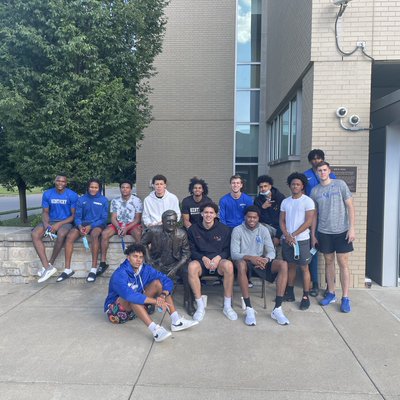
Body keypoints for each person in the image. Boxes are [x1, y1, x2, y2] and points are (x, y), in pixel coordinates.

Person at [104, 244, 198, 343]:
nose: (138, 260)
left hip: (135, 310)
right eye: (135, 256)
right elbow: (129, 295)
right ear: (128, 258)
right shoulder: (120, 274)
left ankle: (176, 321)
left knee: (158, 283)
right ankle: (155, 331)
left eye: (141, 257)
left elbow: (167, 280)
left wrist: (162, 295)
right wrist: (155, 301)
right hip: (116, 314)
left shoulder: (145, 269)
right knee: (133, 297)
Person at [231, 206, 290, 326]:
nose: (252, 220)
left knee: (283, 264)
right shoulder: (237, 230)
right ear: (245, 217)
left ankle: (277, 309)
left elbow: (271, 251)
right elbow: (234, 254)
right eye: (249, 217)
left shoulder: (263, 230)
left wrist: (266, 259)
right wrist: (251, 258)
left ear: (258, 218)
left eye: (255, 217)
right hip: (245, 262)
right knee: (241, 264)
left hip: (261, 261)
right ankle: (249, 308)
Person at [311, 161, 355, 313]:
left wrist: (352, 228)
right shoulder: (315, 191)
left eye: (324, 170)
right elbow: (314, 215)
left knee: (343, 263)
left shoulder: (340, 184)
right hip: (324, 232)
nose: (322, 172)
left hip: (342, 231)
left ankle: (345, 297)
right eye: (320, 170)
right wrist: (313, 235)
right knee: (329, 262)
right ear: (317, 173)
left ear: (329, 171)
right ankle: (331, 293)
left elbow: (350, 206)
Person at [187, 202, 237, 322]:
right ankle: (200, 306)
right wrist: (203, 258)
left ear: (216, 215)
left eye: (211, 213)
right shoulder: (193, 229)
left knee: (229, 265)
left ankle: (227, 306)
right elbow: (191, 250)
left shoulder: (224, 229)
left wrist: (219, 257)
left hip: (218, 263)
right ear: (201, 214)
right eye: (206, 212)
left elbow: (227, 250)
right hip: (201, 262)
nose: (208, 215)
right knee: (192, 266)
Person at [141, 210, 194, 315]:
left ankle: (188, 302)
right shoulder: (153, 231)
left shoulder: (182, 234)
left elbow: (186, 253)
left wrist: (175, 268)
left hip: (175, 263)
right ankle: (150, 302)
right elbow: (143, 244)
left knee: (187, 272)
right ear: (162, 221)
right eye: (168, 221)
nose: (171, 224)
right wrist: (149, 259)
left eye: (174, 221)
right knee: (149, 271)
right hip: (158, 263)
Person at [57, 178, 108, 283]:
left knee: (94, 235)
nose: (93, 189)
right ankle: (67, 269)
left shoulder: (104, 200)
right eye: (91, 187)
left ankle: (93, 269)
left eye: (96, 187)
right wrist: (80, 226)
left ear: (99, 188)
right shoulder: (81, 199)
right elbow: (77, 217)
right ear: (88, 187)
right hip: (83, 224)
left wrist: (91, 226)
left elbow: (104, 219)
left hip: (97, 224)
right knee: (70, 236)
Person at [32, 174, 79, 283]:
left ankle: (50, 263)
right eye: (58, 181)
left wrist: (58, 224)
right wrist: (45, 223)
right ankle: (46, 267)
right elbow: (45, 212)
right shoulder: (47, 194)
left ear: (66, 183)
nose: (60, 183)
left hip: (66, 221)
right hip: (51, 220)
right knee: (35, 234)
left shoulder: (72, 195)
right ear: (55, 181)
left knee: (62, 234)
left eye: (63, 181)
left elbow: (73, 216)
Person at [279, 173, 315, 310]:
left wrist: (294, 234)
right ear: (290, 185)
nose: (295, 186)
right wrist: (287, 235)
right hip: (287, 240)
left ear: (302, 186)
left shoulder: (308, 201)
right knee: (291, 266)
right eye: (293, 184)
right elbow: (282, 221)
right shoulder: (285, 202)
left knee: (304, 268)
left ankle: (305, 296)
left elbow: (309, 221)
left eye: (298, 184)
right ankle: (290, 292)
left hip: (302, 240)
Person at [304, 149, 336, 296]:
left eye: (319, 158)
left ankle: (330, 286)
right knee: (314, 251)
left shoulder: (331, 175)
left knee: (330, 254)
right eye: (314, 159)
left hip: (329, 219)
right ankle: (315, 283)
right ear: (310, 161)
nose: (316, 161)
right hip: (313, 217)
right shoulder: (306, 175)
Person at [98, 180, 143, 276]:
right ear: (120, 189)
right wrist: (119, 228)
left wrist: (126, 228)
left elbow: (137, 219)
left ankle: (138, 262)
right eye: (123, 187)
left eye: (127, 187)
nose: (125, 189)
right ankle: (103, 262)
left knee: (138, 234)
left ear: (131, 189)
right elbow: (113, 218)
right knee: (104, 234)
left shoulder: (137, 201)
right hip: (118, 224)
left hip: (132, 224)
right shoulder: (115, 201)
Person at [253, 175, 285, 246]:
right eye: (261, 187)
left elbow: (283, 218)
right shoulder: (258, 200)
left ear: (270, 186)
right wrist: (263, 208)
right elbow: (256, 217)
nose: (263, 189)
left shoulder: (280, 197)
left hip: (280, 227)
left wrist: (277, 236)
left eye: (265, 186)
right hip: (266, 226)